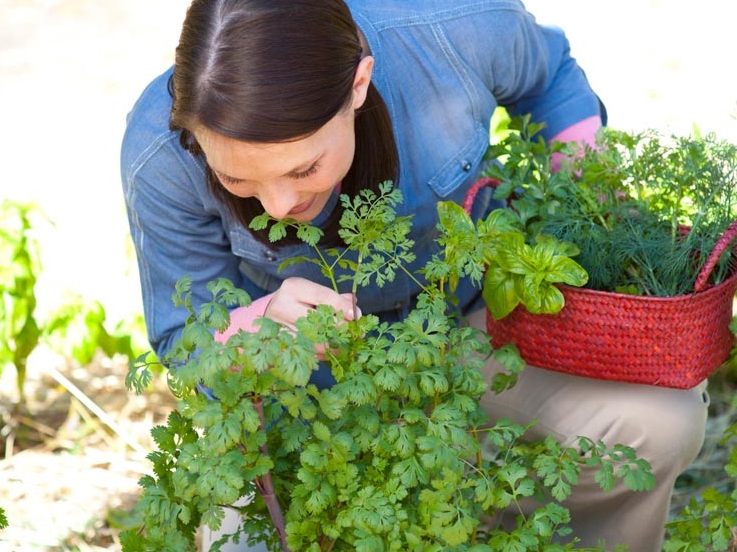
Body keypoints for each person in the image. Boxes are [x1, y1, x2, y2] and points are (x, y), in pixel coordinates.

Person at [118, 0, 708, 550]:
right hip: (303, 399)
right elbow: (185, 339)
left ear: (358, 84)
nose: (276, 205)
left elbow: (548, 74)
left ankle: (508, 518)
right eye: (239, 181)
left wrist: (581, 185)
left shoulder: (453, 28)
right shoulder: (160, 152)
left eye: (304, 168)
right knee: (248, 537)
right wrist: (256, 327)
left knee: (658, 424)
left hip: (474, 326)